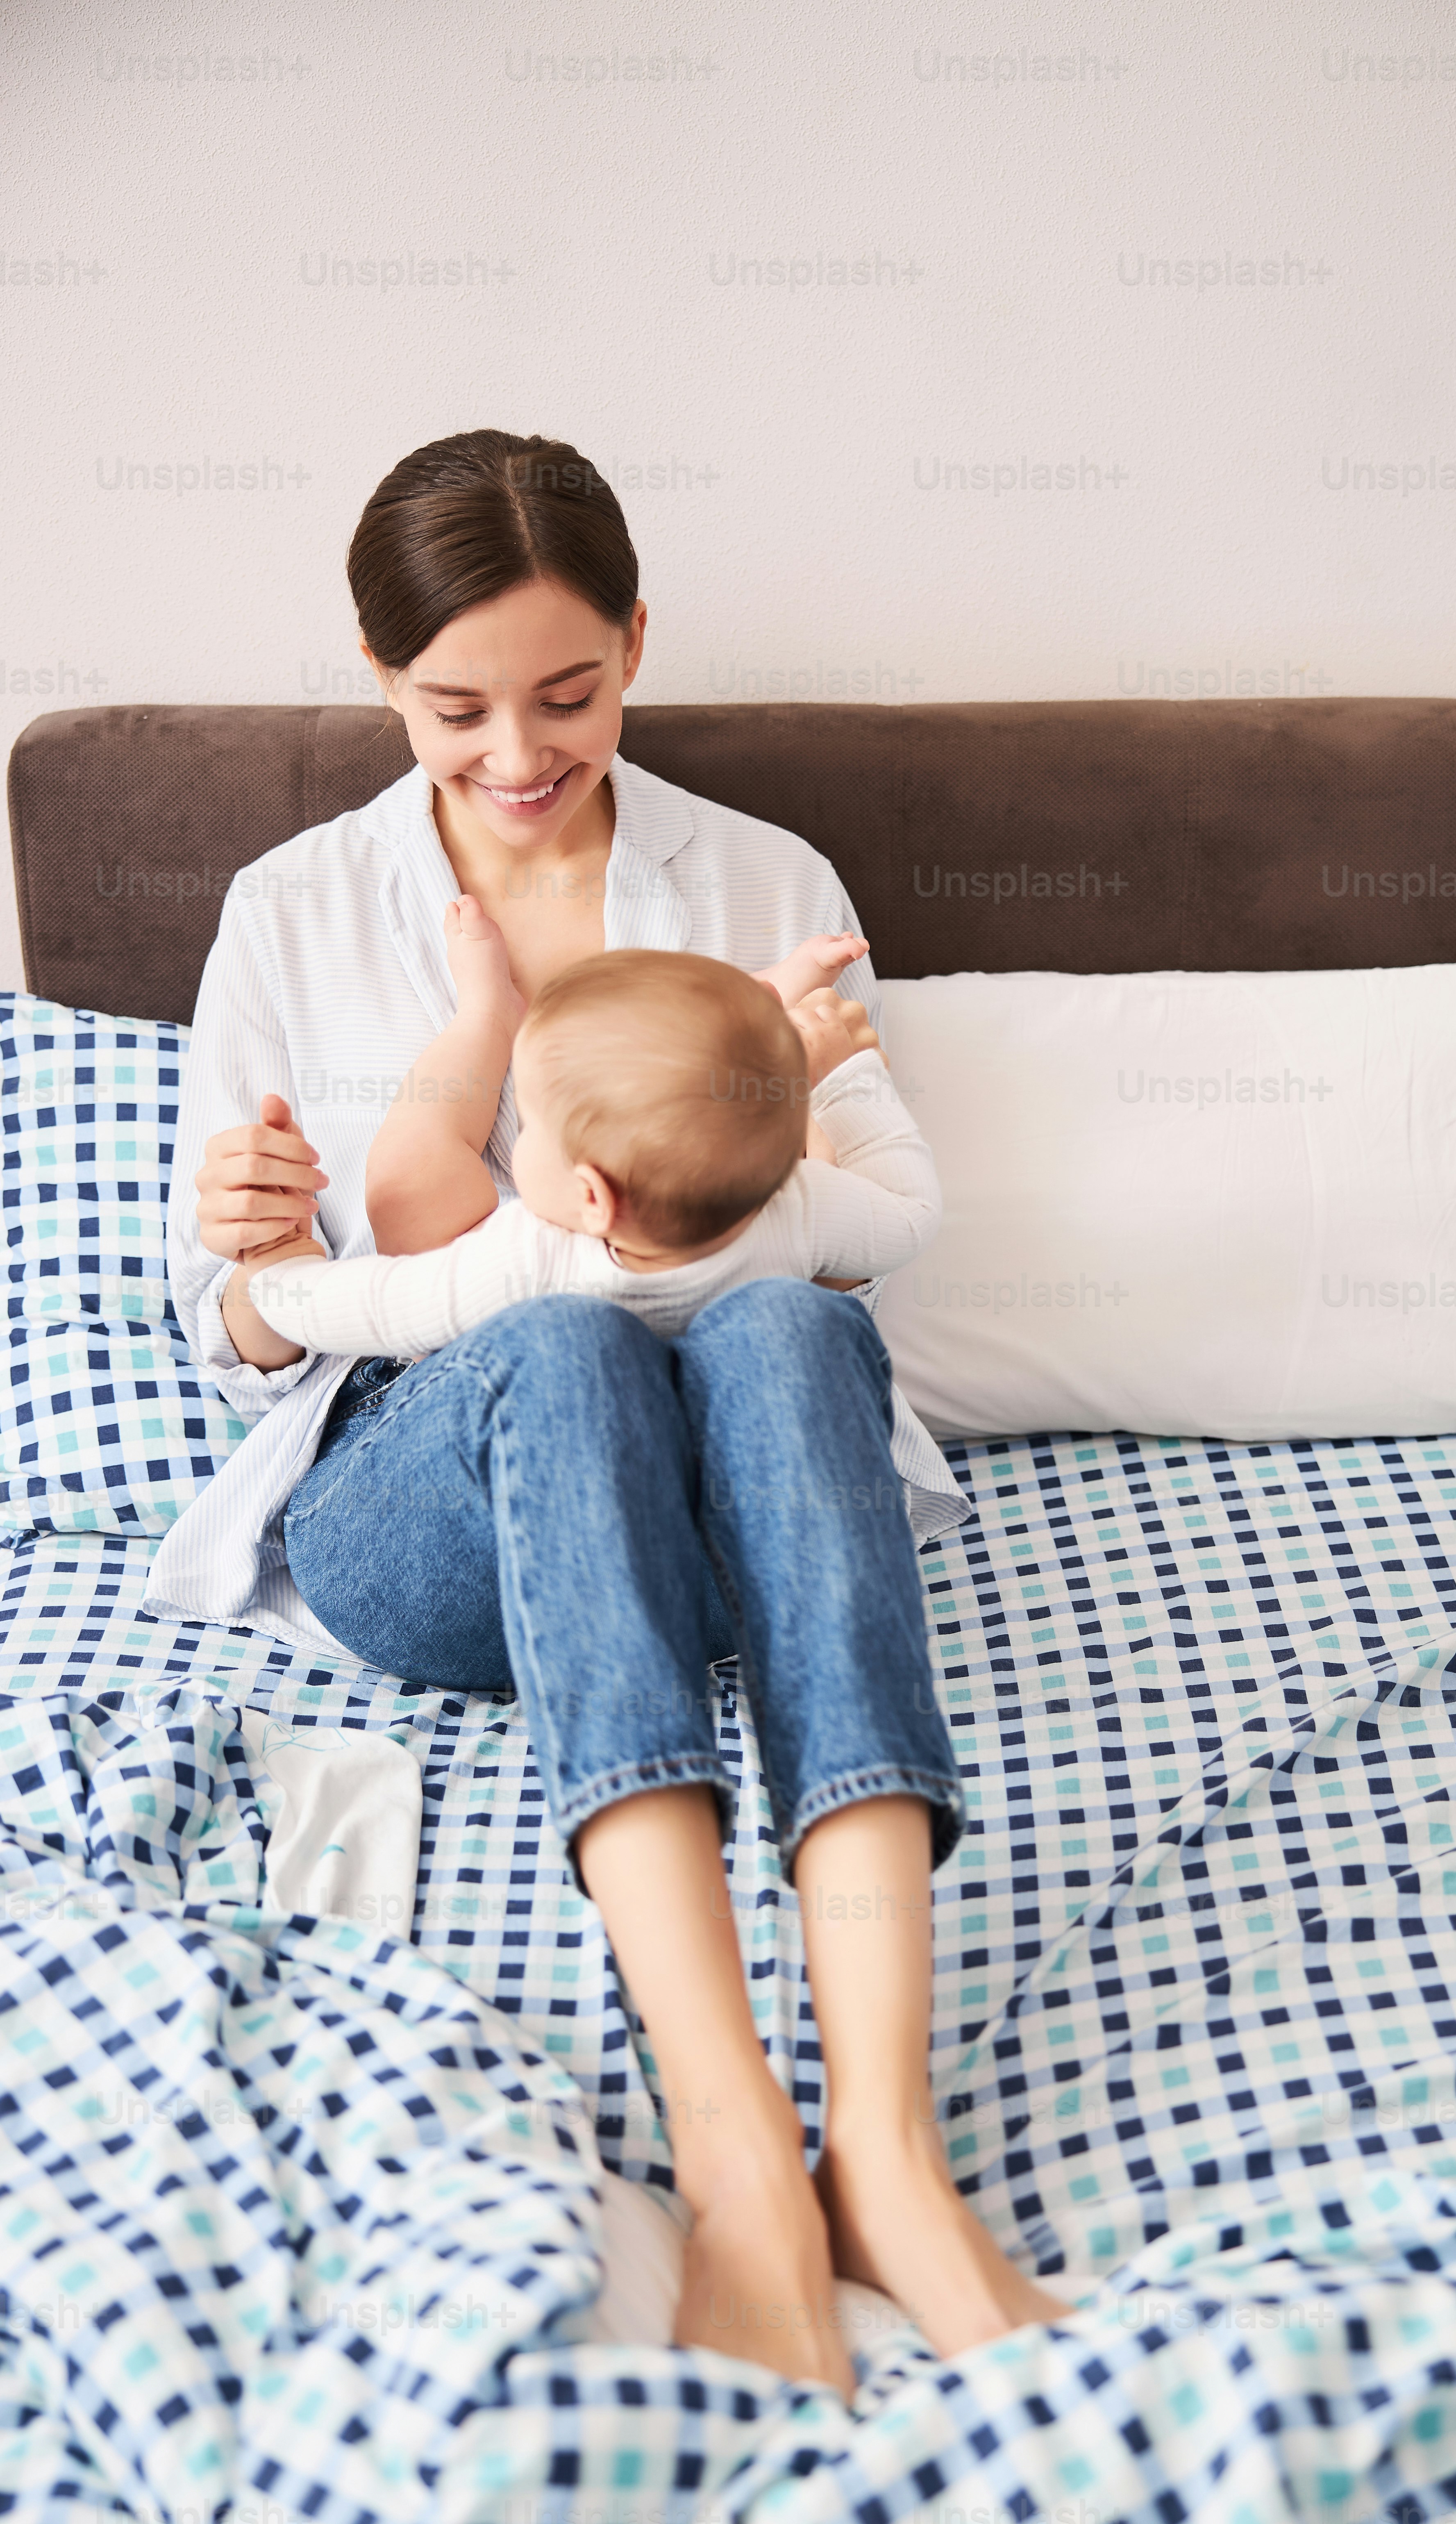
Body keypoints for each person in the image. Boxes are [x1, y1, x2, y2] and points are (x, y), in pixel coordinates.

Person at [154, 428, 1061, 2397]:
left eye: (566, 696)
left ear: (638, 643)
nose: (512, 755)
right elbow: (229, 1316)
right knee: (560, 1350)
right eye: (453, 708)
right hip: (435, 1508)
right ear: (382, 677)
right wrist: (238, 1263)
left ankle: (886, 2156)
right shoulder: (290, 911)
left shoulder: (759, 877)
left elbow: (855, 1225)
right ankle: (736, 2146)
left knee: (800, 1332)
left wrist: (816, 1096)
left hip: (740, 1509)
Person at [231, 939, 942, 1357]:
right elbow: (908, 1214)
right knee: (725, 1071)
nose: (517, 1136)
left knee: (415, 1176)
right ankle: (771, 1021)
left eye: (531, 1124)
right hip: (698, 1463)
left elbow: (372, 1306)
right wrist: (846, 1077)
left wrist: (275, 1265)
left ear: (593, 1196)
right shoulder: (799, 1208)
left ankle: (483, 1019)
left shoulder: (526, 1265)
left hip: (501, 1413)